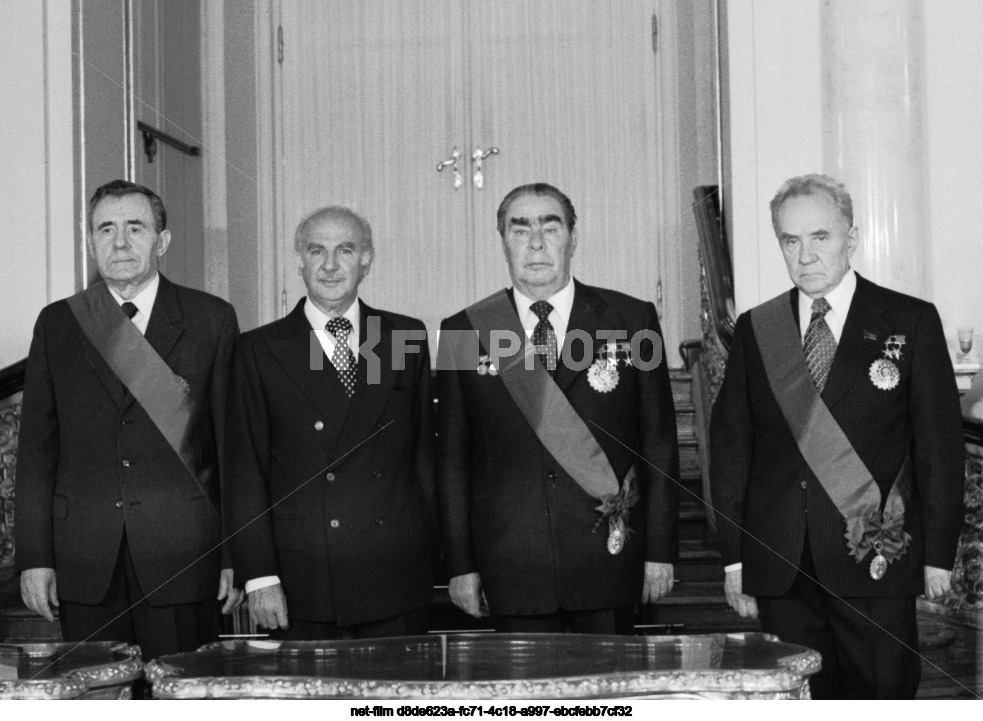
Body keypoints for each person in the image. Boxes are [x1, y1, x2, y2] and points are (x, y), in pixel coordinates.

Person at [709, 174, 964, 699]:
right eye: (790, 240)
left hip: (875, 557)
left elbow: (939, 450)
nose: (805, 255)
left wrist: (938, 554)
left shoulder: (910, 321)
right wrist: (736, 559)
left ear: (851, 238)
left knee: (882, 697)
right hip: (780, 563)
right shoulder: (758, 330)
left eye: (820, 237)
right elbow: (733, 451)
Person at [437, 183, 680, 634]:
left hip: (608, 560)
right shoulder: (464, 331)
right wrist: (460, 563)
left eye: (550, 227)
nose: (536, 243)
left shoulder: (632, 320)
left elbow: (659, 445)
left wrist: (660, 550)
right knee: (524, 707)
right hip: (511, 561)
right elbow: (453, 461)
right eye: (520, 229)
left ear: (573, 238)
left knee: (609, 704)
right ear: (502, 240)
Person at [16, 179, 241, 661]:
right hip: (84, 559)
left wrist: (232, 554)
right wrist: (34, 558)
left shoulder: (210, 319)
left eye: (135, 228)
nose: (119, 243)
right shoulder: (58, 324)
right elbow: (36, 451)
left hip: (184, 555)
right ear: (91, 240)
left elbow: (229, 449)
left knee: (184, 701)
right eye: (106, 229)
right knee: (96, 700)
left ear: (162, 241)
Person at [225, 206, 436, 639]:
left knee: (394, 707)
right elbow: (244, 473)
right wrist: (260, 576)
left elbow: (425, 459)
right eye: (316, 250)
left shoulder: (400, 338)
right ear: (299, 260)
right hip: (302, 579)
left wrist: (441, 558)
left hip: (394, 574)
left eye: (345, 250)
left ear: (367, 260)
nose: (330, 265)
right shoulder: (260, 349)